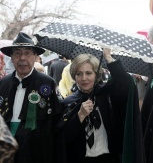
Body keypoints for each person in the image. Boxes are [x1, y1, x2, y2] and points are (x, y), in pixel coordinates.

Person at [60, 48, 145, 163]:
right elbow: (64, 138)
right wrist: (80, 116)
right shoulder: (69, 101)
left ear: (97, 74)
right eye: (79, 74)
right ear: (74, 77)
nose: (84, 78)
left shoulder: (107, 94)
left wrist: (109, 59)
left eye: (89, 73)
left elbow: (125, 85)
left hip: (109, 157)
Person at [0, 32, 65, 163]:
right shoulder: (3, 83)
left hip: (36, 151)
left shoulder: (48, 84)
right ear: (11, 57)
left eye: (27, 53)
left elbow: (58, 122)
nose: (22, 58)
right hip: (6, 151)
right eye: (17, 53)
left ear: (35, 56)